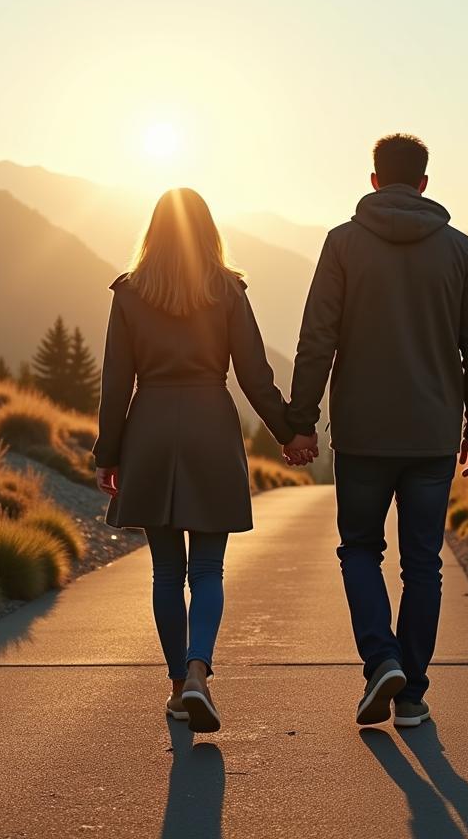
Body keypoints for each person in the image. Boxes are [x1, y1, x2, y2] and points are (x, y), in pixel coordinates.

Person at [283, 134, 468, 728]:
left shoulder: (343, 244)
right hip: (432, 435)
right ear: (424, 183)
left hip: (362, 433)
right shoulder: (460, 250)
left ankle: (381, 658)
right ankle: (411, 695)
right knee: (423, 562)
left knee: (359, 549)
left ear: (374, 180)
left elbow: (316, 339)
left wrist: (301, 422)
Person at [92, 187, 316, 733]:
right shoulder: (228, 291)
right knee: (208, 568)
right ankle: (198, 672)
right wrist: (290, 433)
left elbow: (116, 383)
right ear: (208, 232)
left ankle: (177, 686)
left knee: (167, 570)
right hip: (211, 427)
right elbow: (255, 376)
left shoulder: (129, 294)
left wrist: (108, 452)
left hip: (148, 431)